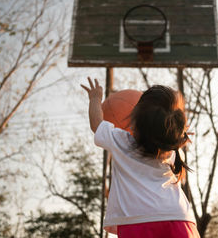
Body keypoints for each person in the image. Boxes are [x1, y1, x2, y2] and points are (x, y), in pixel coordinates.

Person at [81, 77, 200, 238]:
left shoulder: (121, 141)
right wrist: (177, 135)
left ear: (134, 124)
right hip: (180, 218)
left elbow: (96, 123)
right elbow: (172, 140)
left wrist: (94, 99)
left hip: (139, 220)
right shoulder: (169, 151)